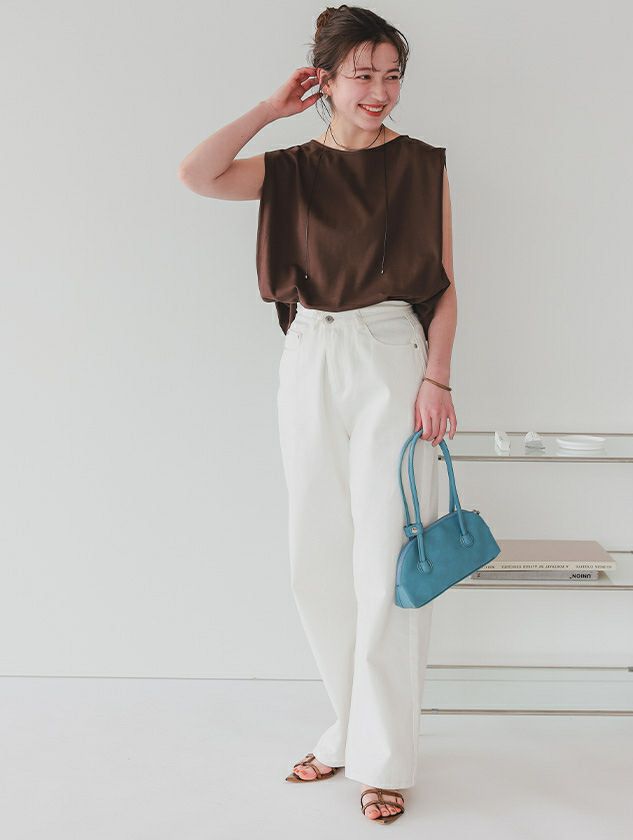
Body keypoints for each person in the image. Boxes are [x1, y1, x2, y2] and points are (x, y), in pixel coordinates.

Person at [178, 4, 458, 824]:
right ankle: (347, 727)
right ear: (324, 80)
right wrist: (269, 110)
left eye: (392, 75)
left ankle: (385, 759)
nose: (380, 91)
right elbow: (197, 174)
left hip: (392, 355)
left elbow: (445, 283)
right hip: (309, 354)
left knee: (385, 558)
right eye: (362, 75)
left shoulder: (421, 165)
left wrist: (437, 378)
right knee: (318, 558)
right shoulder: (289, 167)